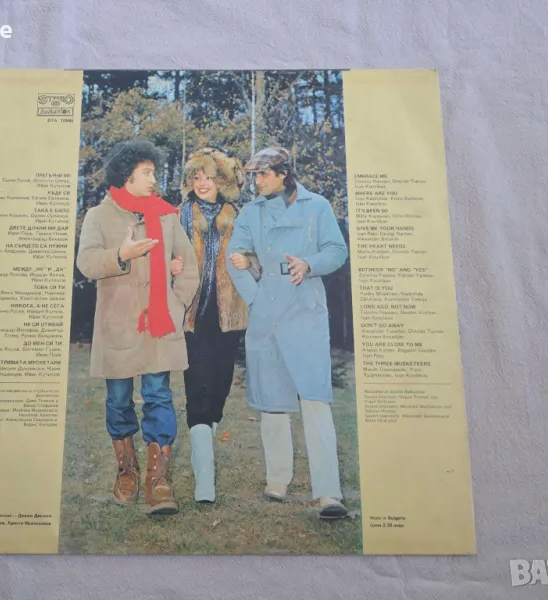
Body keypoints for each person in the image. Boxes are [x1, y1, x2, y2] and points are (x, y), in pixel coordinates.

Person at [76, 140, 199, 515]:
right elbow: (86, 263)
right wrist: (121, 255)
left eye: (154, 172)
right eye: (147, 172)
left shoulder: (167, 215)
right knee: (118, 399)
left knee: (159, 396)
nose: (154, 179)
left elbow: (188, 265)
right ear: (126, 176)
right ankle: (126, 471)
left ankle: (158, 479)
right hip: (119, 327)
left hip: (160, 328)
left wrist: (177, 305)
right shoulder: (99, 216)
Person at [227, 146, 349, 520]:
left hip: (305, 309)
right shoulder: (250, 212)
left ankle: (328, 493)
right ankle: (277, 481)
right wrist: (256, 298)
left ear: (283, 173)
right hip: (266, 313)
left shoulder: (317, 206)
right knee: (272, 401)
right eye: (253, 175)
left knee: (315, 398)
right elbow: (235, 258)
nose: (256, 181)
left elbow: (337, 250)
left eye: (263, 174)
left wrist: (309, 264)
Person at [170, 148, 250, 503]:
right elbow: (161, 253)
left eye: (210, 177)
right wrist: (169, 266)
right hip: (193, 316)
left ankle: (204, 453)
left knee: (218, 391)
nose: (202, 183)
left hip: (230, 315)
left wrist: (249, 261)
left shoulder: (240, 216)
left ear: (223, 181)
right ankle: (206, 481)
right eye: (197, 177)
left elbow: (257, 256)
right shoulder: (178, 215)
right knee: (199, 390)